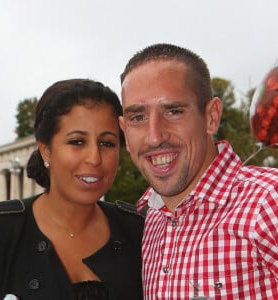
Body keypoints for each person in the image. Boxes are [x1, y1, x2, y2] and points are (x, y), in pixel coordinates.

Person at [119, 43, 278, 299]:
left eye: (173, 111)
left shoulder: (268, 201)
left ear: (212, 116)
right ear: (125, 131)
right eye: (138, 118)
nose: (154, 136)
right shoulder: (148, 221)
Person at [0, 79, 144, 300]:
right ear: (45, 150)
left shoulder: (140, 231)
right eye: (77, 142)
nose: (94, 158)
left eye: (107, 143)